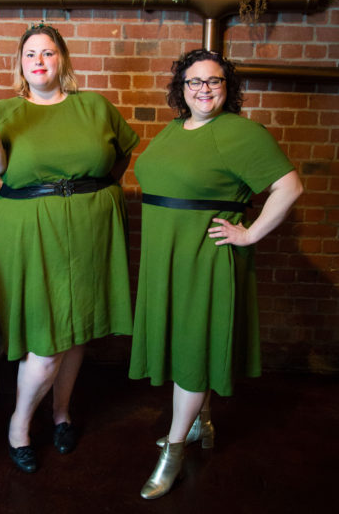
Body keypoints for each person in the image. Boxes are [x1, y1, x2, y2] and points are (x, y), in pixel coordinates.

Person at [129, 49, 303, 499]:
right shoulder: (172, 129)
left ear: (227, 87)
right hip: (166, 256)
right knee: (190, 344)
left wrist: (251, 234)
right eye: (194, 82)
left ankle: (173, 449)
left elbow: (289, 186)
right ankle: (199, 424)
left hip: (203, 257)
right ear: (181, 89)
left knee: (192, 347)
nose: (204, 89)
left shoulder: (240, 132)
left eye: (214, 81)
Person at [0, 23, 139, 473]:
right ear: (21, 64)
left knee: (77, 328)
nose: (39, 60)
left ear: (62, 59)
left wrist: (97, 194)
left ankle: (61, 412)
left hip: (88, 231)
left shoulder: (95, 106)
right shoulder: (5, 110)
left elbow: (123, 153)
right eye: (30, 54)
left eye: (47, 52)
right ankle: (19, 425)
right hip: (29, 231)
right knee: (46, 341)